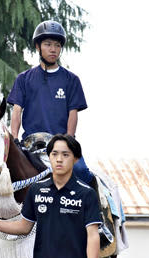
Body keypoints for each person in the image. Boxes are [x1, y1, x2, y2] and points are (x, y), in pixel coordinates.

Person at [0, 134, 101, 258]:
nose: (59, 159)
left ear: (75, 159)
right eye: (54, 154)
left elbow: (92, 235)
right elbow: (24, 227)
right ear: (49, 157)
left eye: (65, 155)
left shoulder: (86, 194)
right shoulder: (37, 190)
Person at [7, 20, 94, 185]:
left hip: (61, 143)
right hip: (30, 144)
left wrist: (69, 141)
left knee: (81, 171)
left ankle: (96, 208)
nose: (53, 49)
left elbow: (73, 114)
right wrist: (15, 137)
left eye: (57, 45)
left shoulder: (71, 80)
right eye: (47, 44)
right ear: (38, 47)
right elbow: (17, 111)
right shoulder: (24, 79)